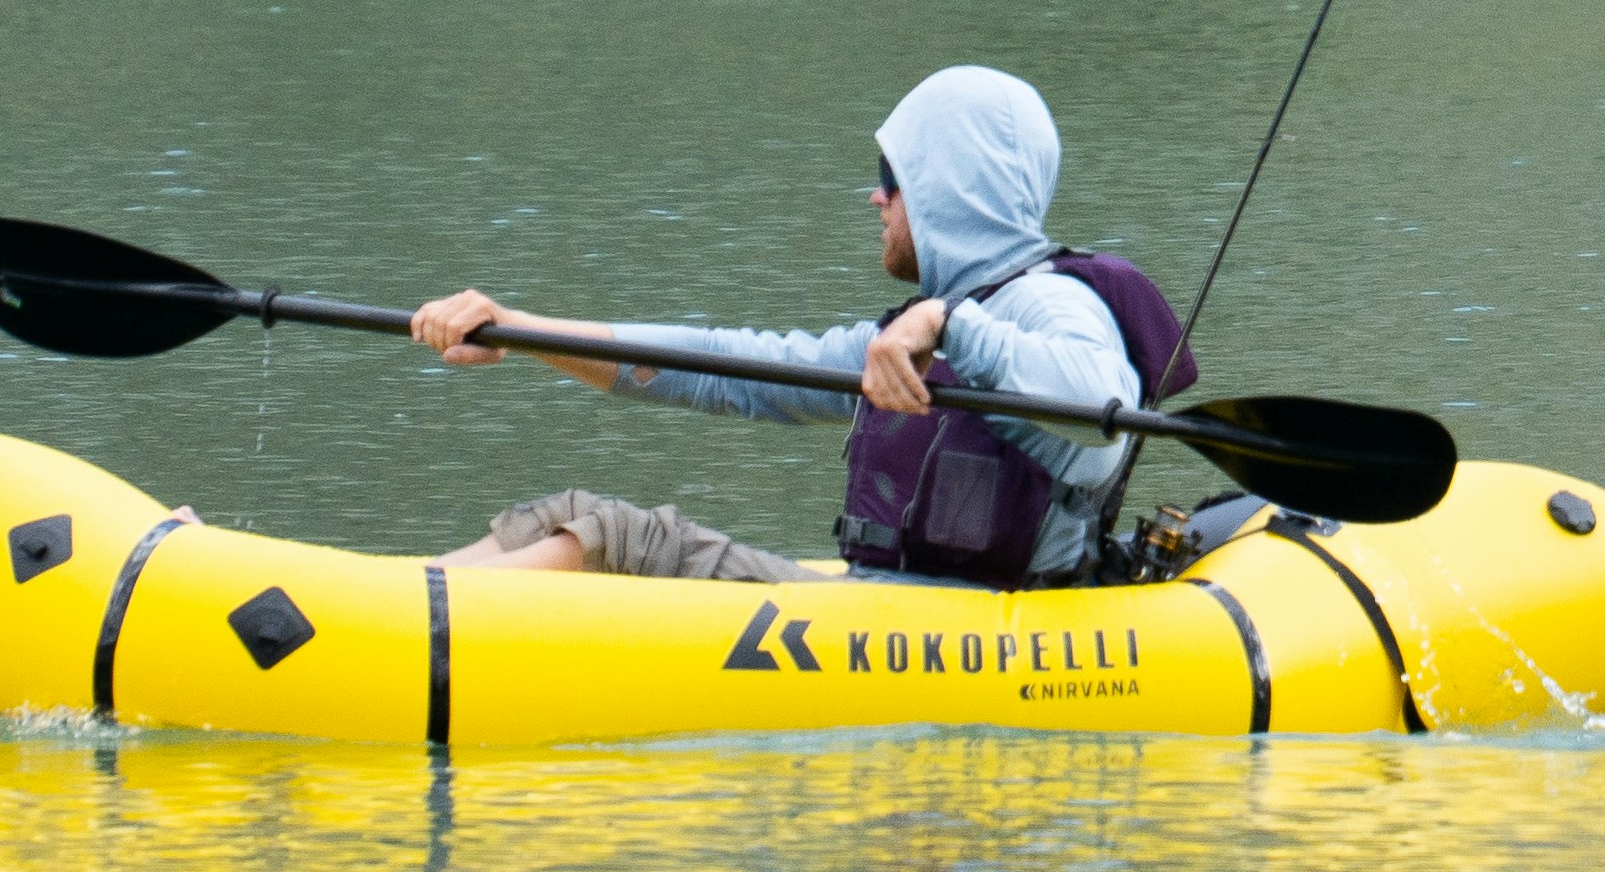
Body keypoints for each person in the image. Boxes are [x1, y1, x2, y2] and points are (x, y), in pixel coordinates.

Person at [418, 66, 1174, 587]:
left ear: (947, 190)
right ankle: (389, 604)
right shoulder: (906, 334)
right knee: (568, 515)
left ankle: (409, 629)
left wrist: (947, 324)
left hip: (974, 630)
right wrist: (518, 329)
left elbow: (1103, 414)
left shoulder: (1048, 304)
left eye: (890, 178)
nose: (874, 199)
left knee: (621, 535)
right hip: (889, 606)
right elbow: (722, 368)